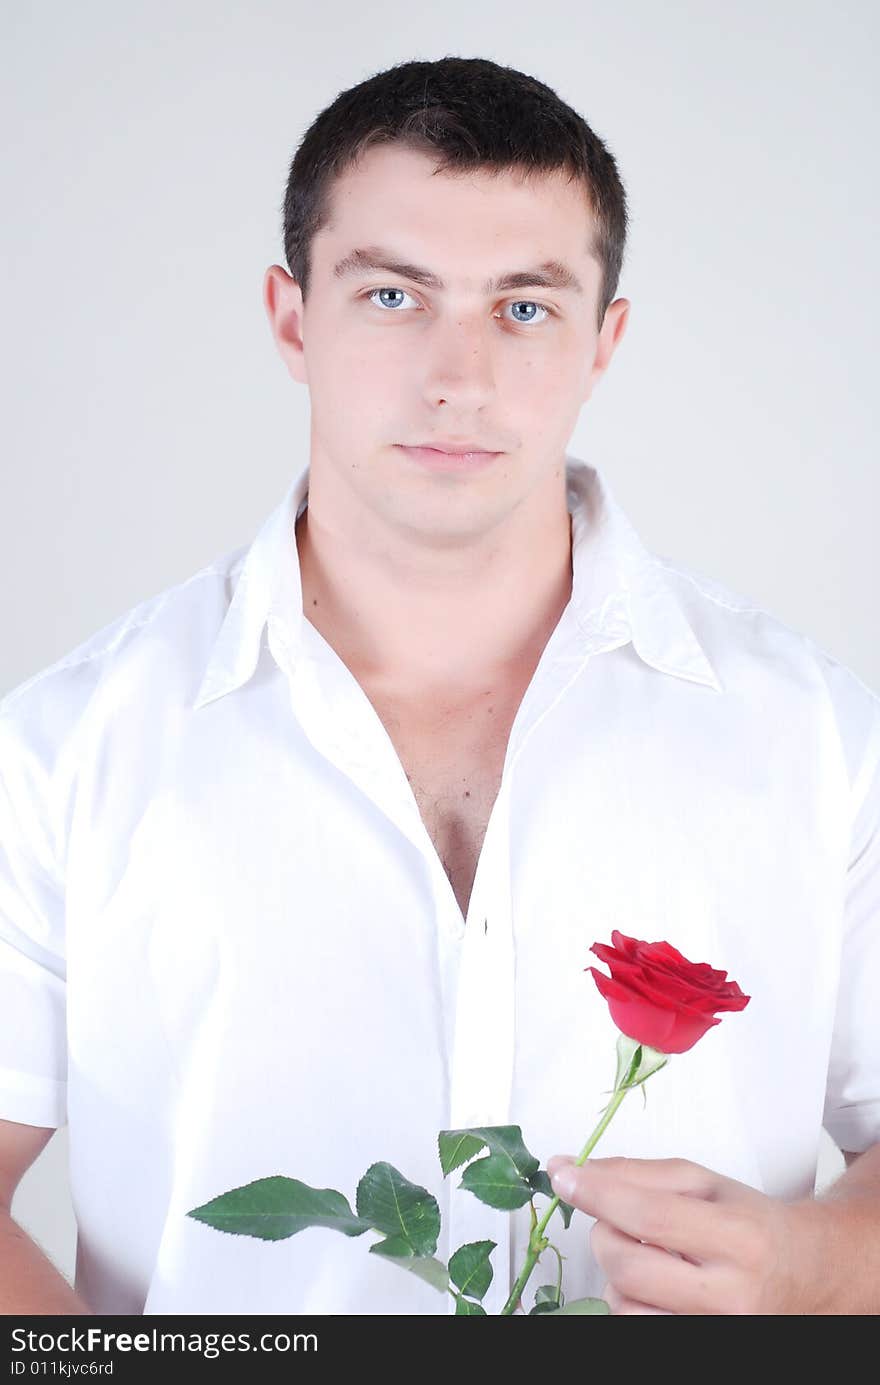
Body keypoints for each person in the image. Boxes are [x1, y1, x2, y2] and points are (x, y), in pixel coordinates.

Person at [1, 55, 878, 1318]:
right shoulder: (61, 749)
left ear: (603, 341)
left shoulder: (820, 737)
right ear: (293, 317)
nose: (457, 375)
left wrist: (818, 1269)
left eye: (524, 307)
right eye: (394, 294)